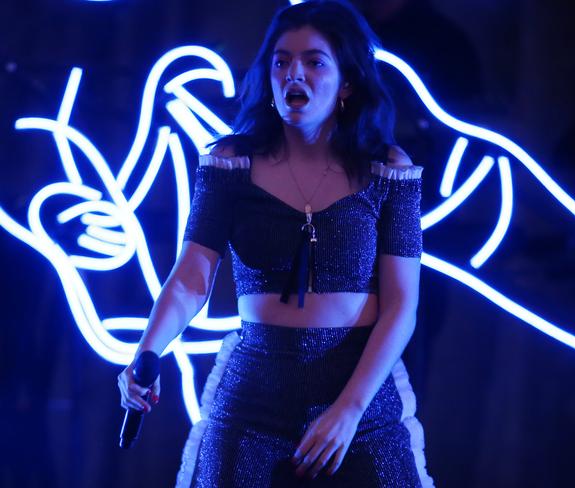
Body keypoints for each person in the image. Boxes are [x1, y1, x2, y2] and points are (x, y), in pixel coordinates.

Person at [117, 1, 434, 486]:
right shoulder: (230, 163)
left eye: (314, 61)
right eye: (281, 61)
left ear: (346, 81)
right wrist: (148, 352)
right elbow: (190, 278)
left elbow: (402, 304)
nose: (294, 73)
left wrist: (348, 410)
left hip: (361, 396)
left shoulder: (387, 170)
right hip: (254, 394)